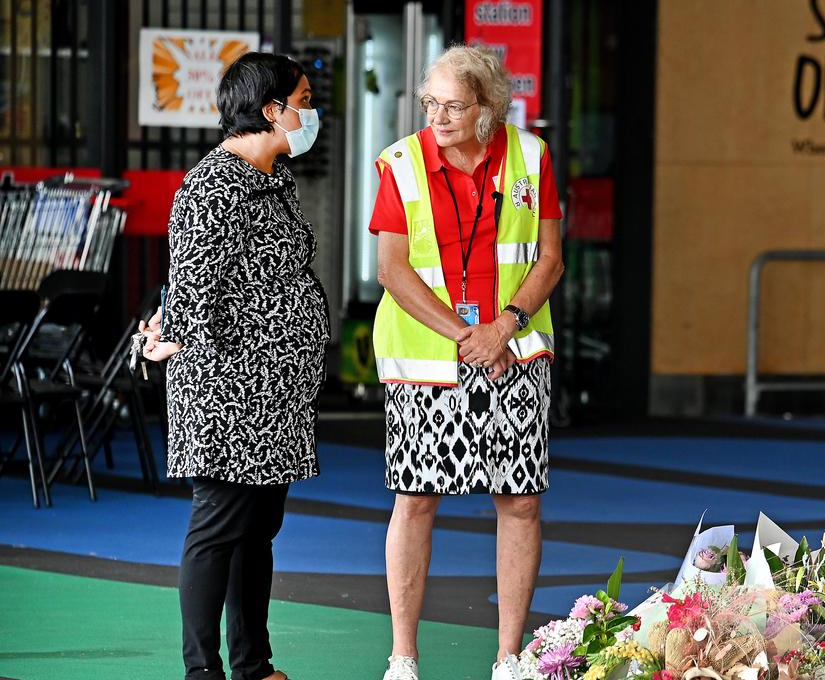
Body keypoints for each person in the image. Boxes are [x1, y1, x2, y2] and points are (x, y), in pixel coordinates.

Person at [367, 45, 564, 680]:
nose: (440, 116)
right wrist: (466, 335)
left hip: (515, 352)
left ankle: (510, 658)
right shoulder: (400, 163)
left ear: (488, 107)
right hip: (427, 360)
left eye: (454, 105)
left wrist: (505, 325)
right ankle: (403, 657)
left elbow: (550, 258)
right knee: (416, 501)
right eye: (431, 103)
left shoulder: (531, 156)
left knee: (521, 503)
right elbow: (392, 269)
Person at [141, 51, 330, 680]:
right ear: (271, 110)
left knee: (258, 529)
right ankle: (203, 672)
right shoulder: (212, 187)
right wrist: (171, 336)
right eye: (303, 101)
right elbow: (194, 289)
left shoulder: (275, 181)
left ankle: (253, 665)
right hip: (228, 394)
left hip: (277, 394)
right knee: (219, 527)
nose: (311, 113)